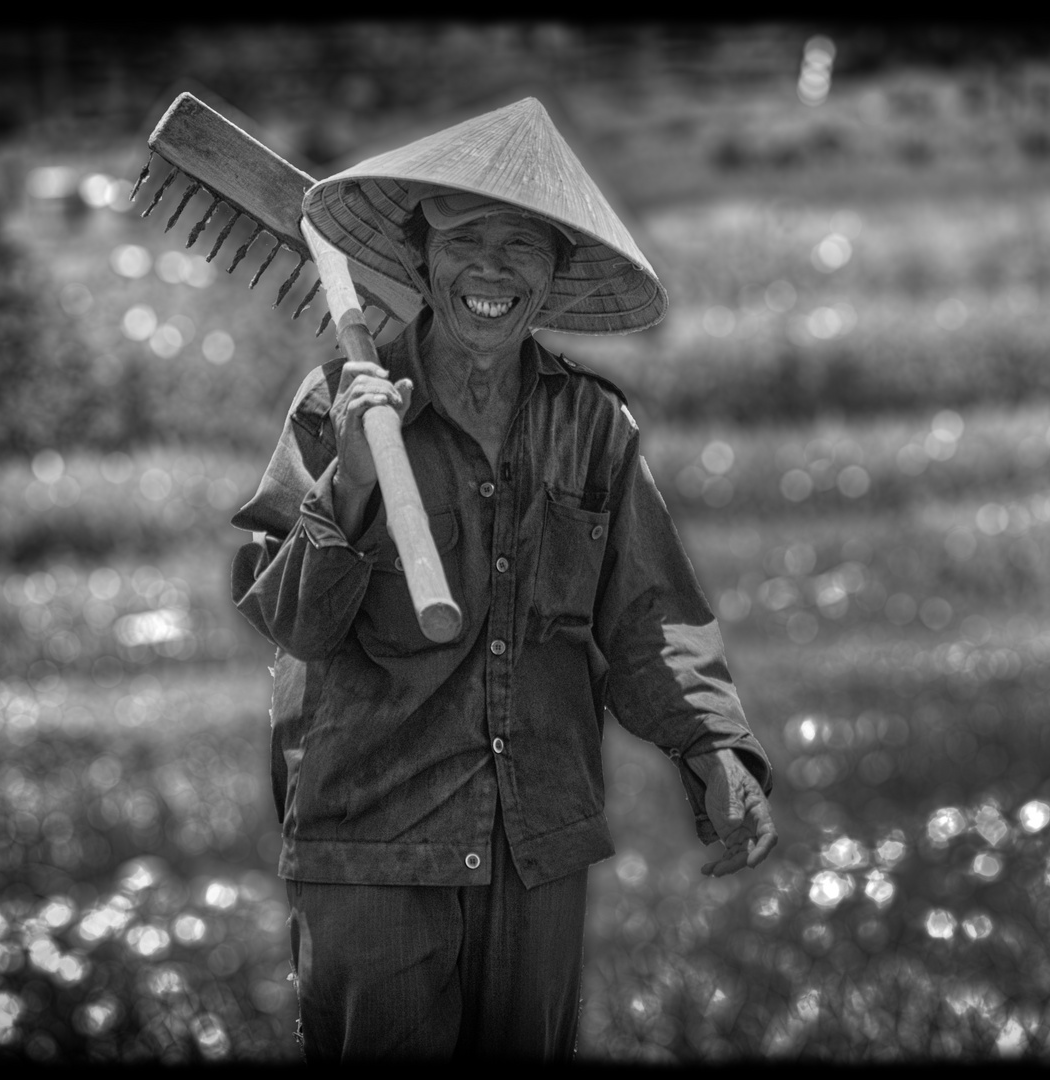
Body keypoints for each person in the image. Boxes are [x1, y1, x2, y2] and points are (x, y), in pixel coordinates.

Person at [229, 98, 776, 1061]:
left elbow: (650, 615)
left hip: (539, 844)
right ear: (422, 255)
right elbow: (293, 625)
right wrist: (353, 480)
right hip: (375, 848)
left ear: (557, 275)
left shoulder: (592, 426)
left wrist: (714, 748)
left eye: (523, 244)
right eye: (465, 237)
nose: (492, 268)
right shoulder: (335, 408)